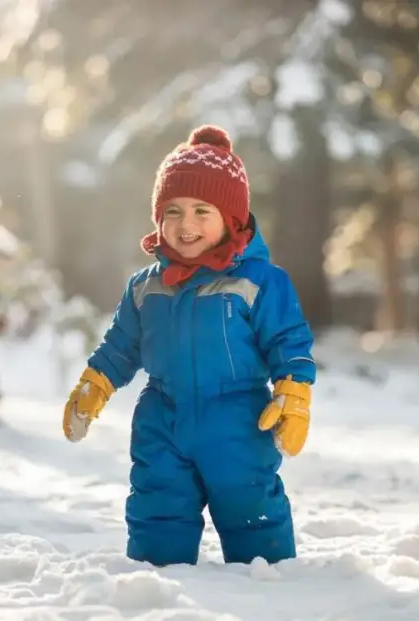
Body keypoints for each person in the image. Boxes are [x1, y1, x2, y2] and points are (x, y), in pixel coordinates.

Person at [62, 124, 317, 567]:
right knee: (157, 504)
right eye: (173, 211)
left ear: (231, 219)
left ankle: (269, 586)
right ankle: (157, 582)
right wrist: (94, 385)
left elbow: (288, 341)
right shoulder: (146, 287)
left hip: (239, 421)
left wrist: (293, 394)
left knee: (249, 506)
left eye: (202, 210)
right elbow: (120, 346)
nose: (186, 224)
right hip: (162, 417)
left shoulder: (259, 282)